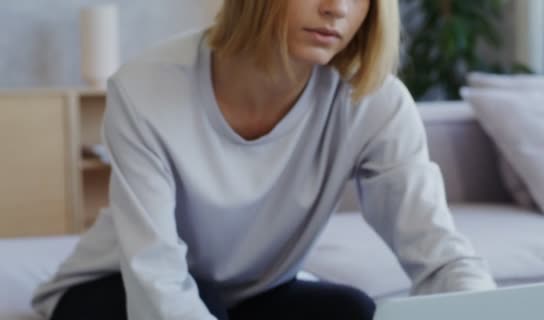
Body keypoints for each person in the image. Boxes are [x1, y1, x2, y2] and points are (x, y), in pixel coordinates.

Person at [32, 1, 496, 319]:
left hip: (253, 293)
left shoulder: (373, 102)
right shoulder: (145, 88)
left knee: (351, 311)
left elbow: (439, 255)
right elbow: (156, 282)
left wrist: (487, 311)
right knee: (202, 302)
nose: (337, 6)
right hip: (117, 285)